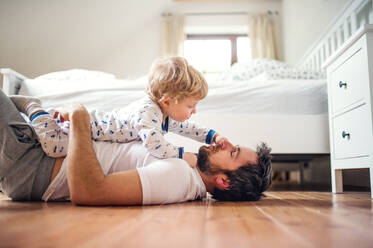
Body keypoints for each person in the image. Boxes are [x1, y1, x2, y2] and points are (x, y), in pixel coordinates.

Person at [0, 89, 273, 204]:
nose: (225, 144)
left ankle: (32, 107)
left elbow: (89, 192)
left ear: (224, 181)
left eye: (232, 152)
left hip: (32, 162)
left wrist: (80, 119)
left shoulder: (177, 178)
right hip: (36, 151)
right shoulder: (188, 172)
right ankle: (31, 107)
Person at [10, 57, 228, 161]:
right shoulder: (148, 113)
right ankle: (34, 109)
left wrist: (213, 136)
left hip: (91, 130)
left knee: (39, 142)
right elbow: (155, 145)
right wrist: (184, 155)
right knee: (54, 147)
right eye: (191, 106)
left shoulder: (162, 112)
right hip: (83, 127)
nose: (194, 111)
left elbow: (187, 128)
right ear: (168, 101)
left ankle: (30, 122)